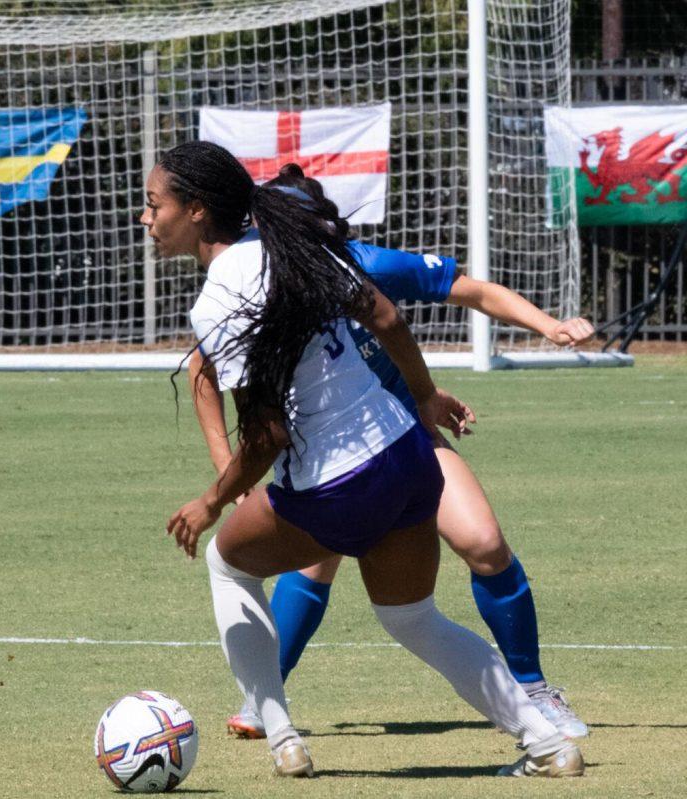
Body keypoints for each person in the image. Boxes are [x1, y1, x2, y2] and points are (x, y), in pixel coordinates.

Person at [145, 141, 583, 778]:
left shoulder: (217, 301)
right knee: (412, 617)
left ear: (196, 211)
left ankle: (281, 734)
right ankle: (547, 744)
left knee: (227, 563)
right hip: (408, 458)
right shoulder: (297, 244)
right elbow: (387, 316)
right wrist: (426, 396)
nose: (145, 217)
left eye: (154, 205)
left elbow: (265, 437)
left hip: (337, 481)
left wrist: (210, 501)